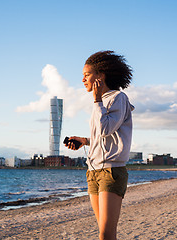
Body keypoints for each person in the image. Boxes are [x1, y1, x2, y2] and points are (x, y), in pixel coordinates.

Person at [64, 50, 134, 240]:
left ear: (101, 76)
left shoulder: (118, 98)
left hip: (111, 172)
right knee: (105, 232)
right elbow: (104, 135)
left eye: (86, 75)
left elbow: (106, 129)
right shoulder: (102, 102)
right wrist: (84, 141)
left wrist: (96, 100)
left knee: (106, 234)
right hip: (93, 171)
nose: (83, 80)